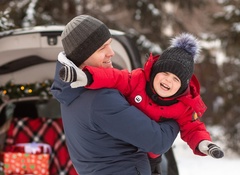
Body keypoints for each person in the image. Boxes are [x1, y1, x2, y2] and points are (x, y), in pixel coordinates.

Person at [50, 15, 180, 175]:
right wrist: (179, 111)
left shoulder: (73, 94)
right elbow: (157, 140)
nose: (111, 53)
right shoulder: (99, 99)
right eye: (103, 48)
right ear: (83, 55)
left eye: (109, 44)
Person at [57, 33, 224, 159]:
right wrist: (87, 76)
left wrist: (205, 144)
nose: (168, 80)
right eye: (165, 73)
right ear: (155, 71)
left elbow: (193, 128)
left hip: (149, 157)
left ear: (183, 86)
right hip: (122, 144)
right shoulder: (137, 80)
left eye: (176, 79)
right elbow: (114, 77)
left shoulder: (183, 106)